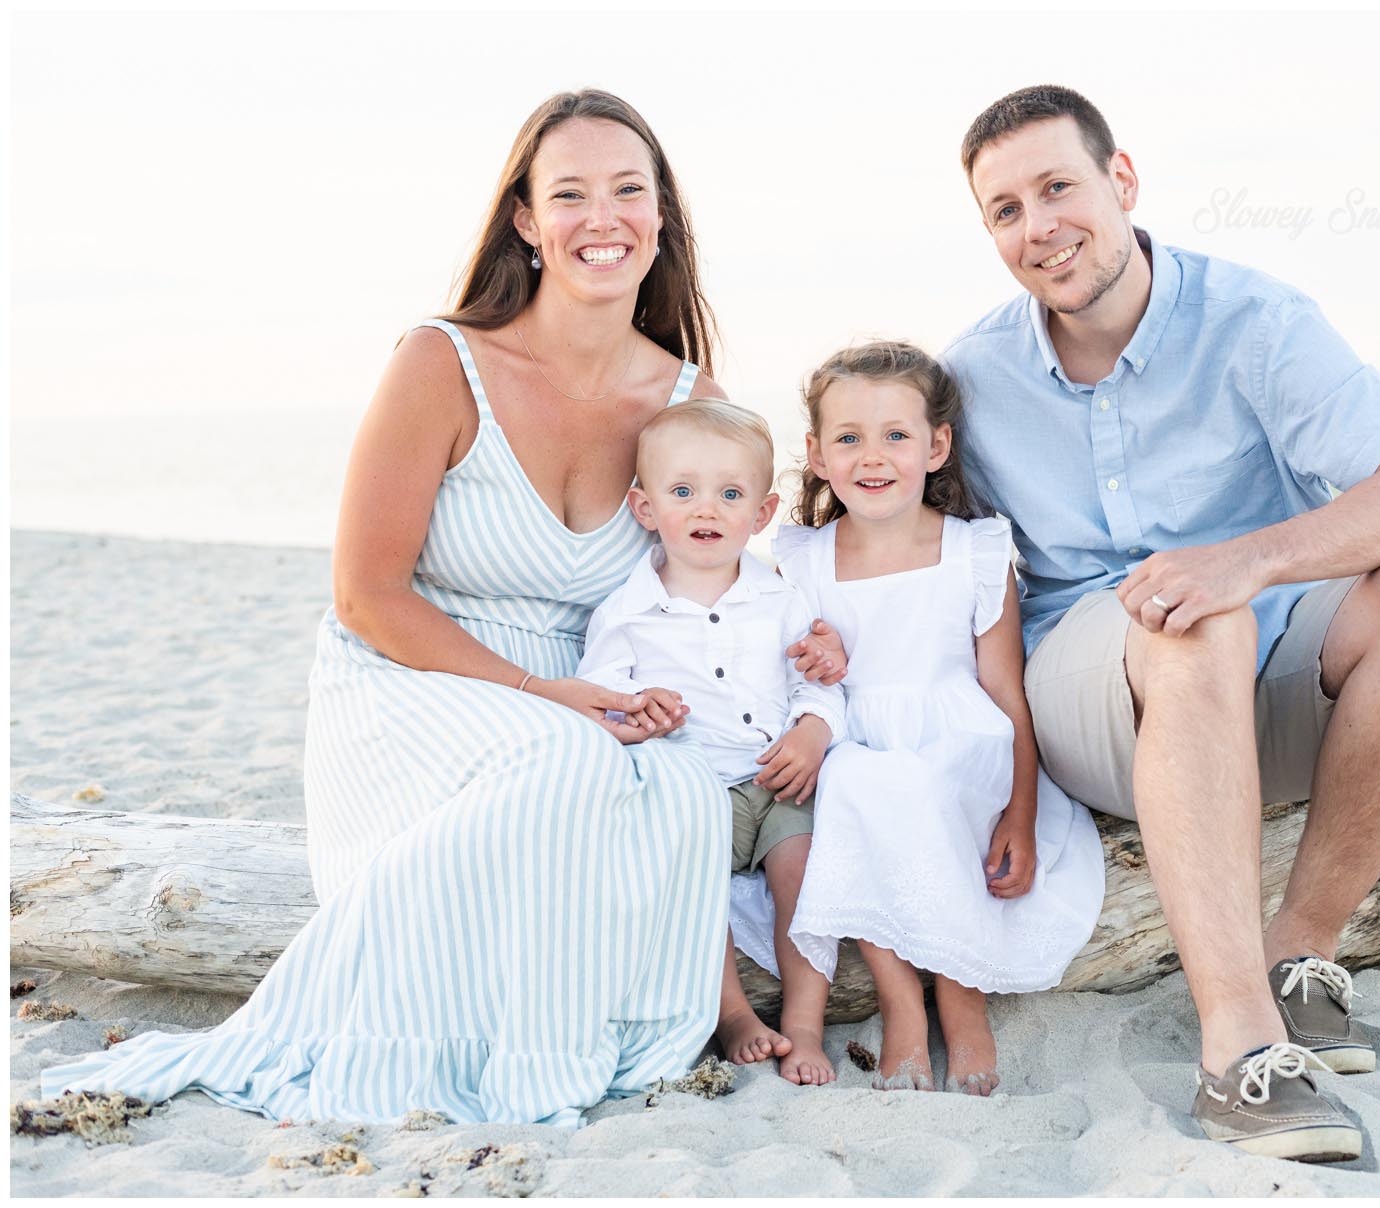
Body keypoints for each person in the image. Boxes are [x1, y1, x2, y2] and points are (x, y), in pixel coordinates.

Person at [40, 89, 821, 1126]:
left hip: (590, 689)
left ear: (662, 215)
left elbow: (724, 575)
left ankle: (614, 1032)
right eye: (570, 193)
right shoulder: (441, 361)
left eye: (630, 190)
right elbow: (366, 594)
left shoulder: (688, 399)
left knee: (678, 786)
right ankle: (450, 1050)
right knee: (564, 758)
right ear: (528, 221)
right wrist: (547, 694)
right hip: (411, 678)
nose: (604, 217)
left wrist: (815, 635)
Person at [941, 86, 1380, 1161]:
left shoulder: (1254, 318)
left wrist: (1249, 559)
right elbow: (913, 558)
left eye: (1058, 187)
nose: (1037, 225)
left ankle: (1300, 955)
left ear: (1123, 181)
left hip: (1267, 673)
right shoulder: (973, 375)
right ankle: (1237, 1054)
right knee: (1195, 624)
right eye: (1004, 210)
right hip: (1093, 699)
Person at [767, 341, 1105, 1095]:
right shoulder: (804, 562)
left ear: (937, 445)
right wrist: (816, 665)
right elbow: (794, 672)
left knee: (917, 784)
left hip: (965, 743)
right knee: (857, 782)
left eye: (895, 434)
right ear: (818, 455)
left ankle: (960, 994)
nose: (872, 455)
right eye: (848, 438)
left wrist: (1021, 811)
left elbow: (1009, 697)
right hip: (858, 741)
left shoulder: (974, 552)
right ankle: (901, 1004)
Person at [576, 398, 844, 1087]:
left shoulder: (781, 598)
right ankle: (733, 1017)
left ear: (761, 514)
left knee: (806, 881)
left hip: (780, 780)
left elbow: (817, 681)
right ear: (644, 507)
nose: (707, 510)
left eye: (730, 494)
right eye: (684, 492)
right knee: (695, 889)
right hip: (696, 793)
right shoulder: (628, 613)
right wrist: (636, 716)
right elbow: (600, 703)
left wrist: (813, 730)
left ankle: (806, 1026)